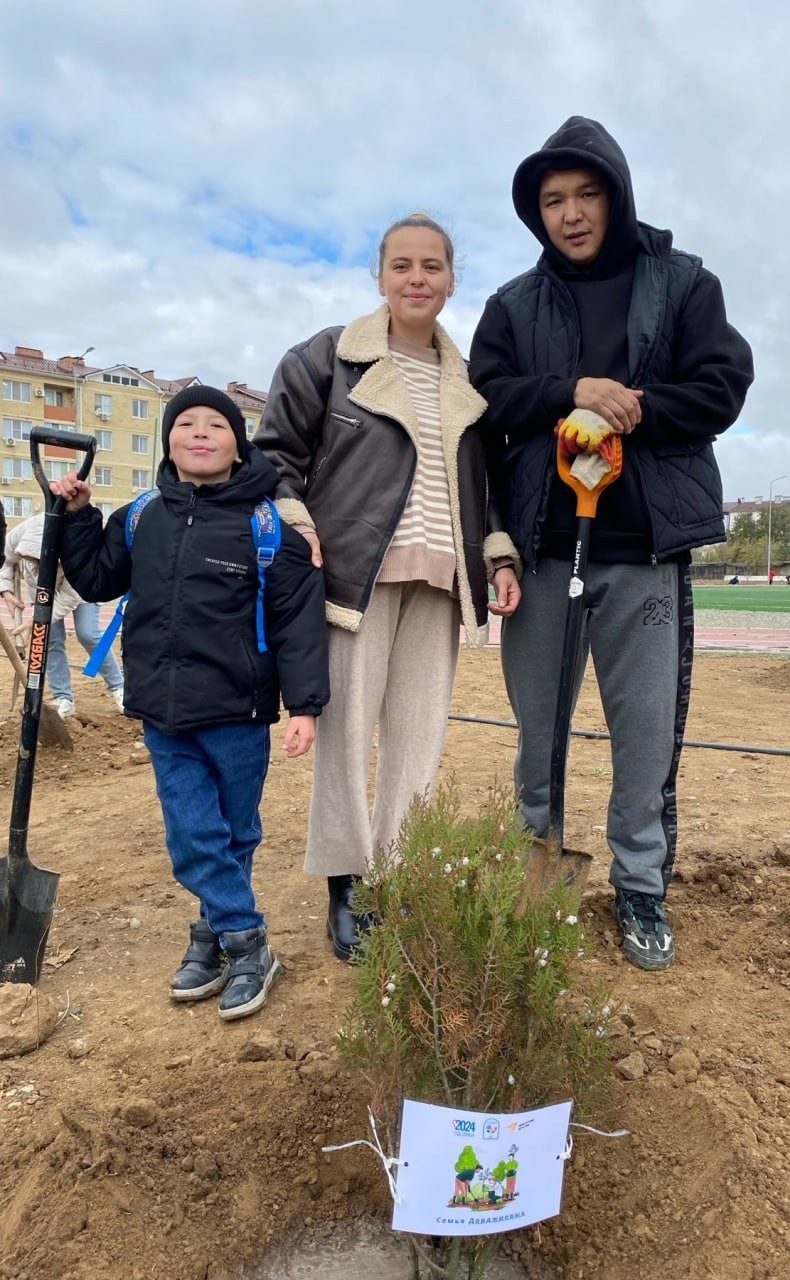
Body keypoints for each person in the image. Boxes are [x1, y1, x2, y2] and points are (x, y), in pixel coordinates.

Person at [468, 117, 753, 972]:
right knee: (538, 732)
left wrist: (634, 405)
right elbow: (485, 400)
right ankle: (536, 866)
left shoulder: (683, 285)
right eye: (553, 200)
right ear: (537, 213)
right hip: (549, 548)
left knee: (646, 736)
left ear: (617, 195)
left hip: (646, 552)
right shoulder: (512, 305)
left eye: (587, 193)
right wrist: (570, 393)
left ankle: (641, 887)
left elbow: (722, 385)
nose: (572, 213)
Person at [255, 213, 522, 963]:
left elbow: (488, 485)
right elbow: (274, 455)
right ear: (379, 276)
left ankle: (395, 881)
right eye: (401, 264)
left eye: (432, 266)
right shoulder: (328, 359)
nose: (416, 278)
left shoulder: (469, 384)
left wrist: (498, 556)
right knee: (344, 740)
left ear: (450, 280)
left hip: (440, 583)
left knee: (417, 743)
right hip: (350, 581)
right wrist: (298, 524)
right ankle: (346, 884)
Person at [52, 386, 329, 1021]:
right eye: (186, 424)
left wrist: (306, 706)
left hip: (238, 711)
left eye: (217, 425)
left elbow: (297, 623)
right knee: (193, 834)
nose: (200, 433)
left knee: (235, 832)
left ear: (239, 444)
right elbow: (97, 578)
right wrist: (77, 518)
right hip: (165, 711)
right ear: (169, 440)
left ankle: (210, 935)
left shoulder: (268, 526)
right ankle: (248, 940)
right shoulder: (142, 514)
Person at [0, 512, 125, 717]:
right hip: (43, 595)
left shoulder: (77, 547)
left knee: (88, 633)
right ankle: (63, 698)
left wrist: (37, 620)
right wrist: (5, 590)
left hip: (81, 588)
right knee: (50, 639)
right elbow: (5, 561)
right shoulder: (21, 535)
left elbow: (70, 597)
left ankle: (120, 687)